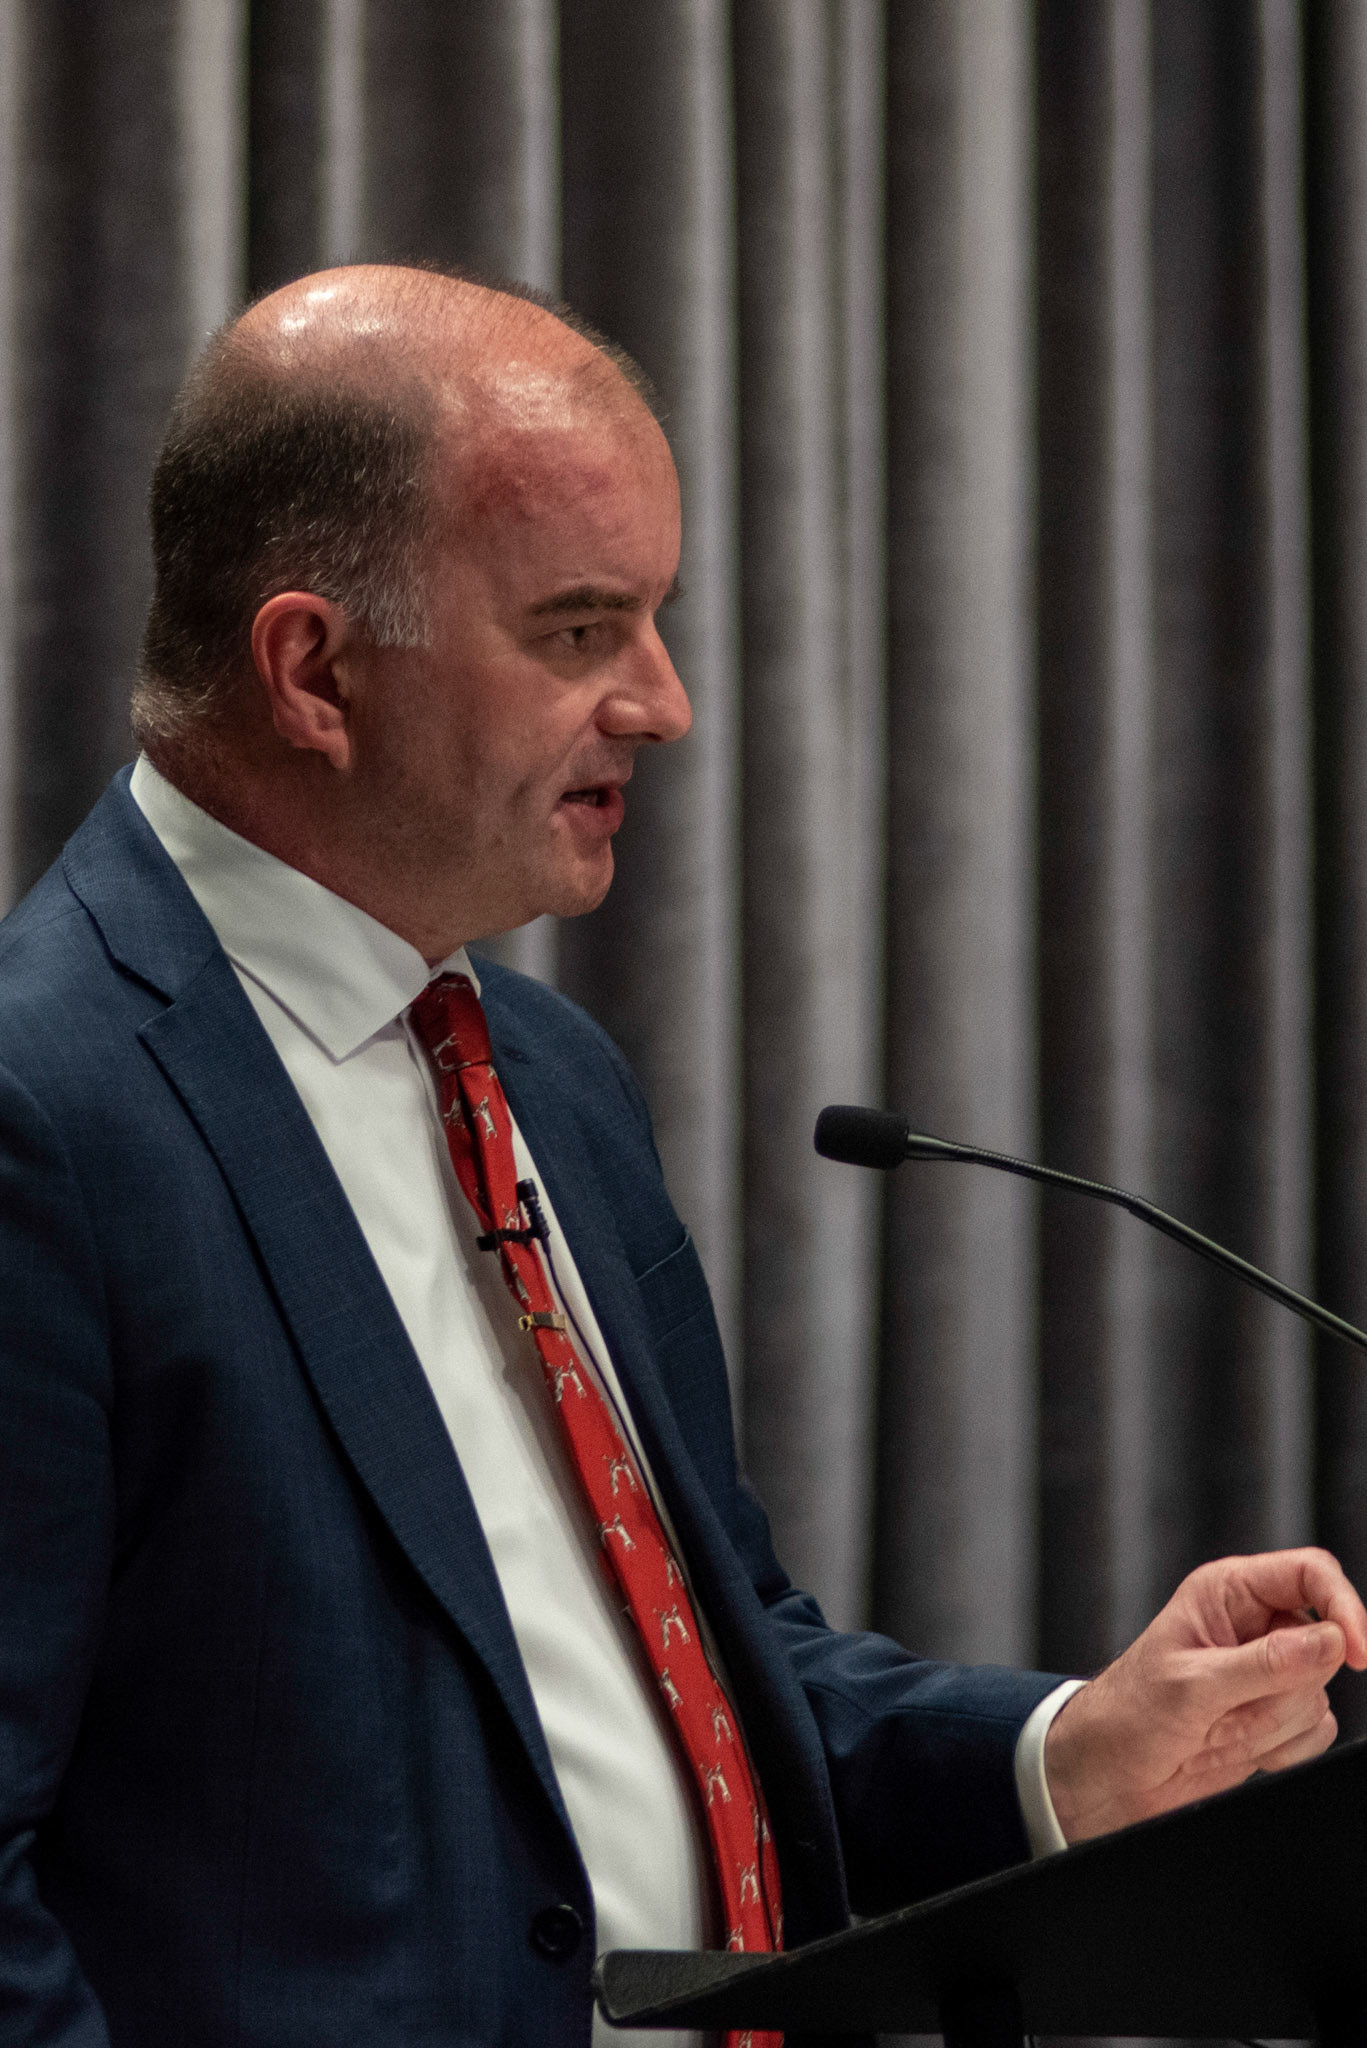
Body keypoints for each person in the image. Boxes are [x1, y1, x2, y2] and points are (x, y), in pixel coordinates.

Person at [0, 264, 1360, 2048]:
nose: (664, 702)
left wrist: (1061, 1754)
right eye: (580, 630)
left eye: (657, 620)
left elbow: (711, 1672)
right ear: (314, 670)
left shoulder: (544, 1076)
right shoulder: (48, 1114)